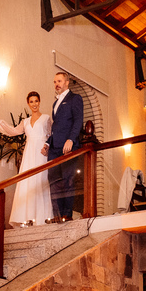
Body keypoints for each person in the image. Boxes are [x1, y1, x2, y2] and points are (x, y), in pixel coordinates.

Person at [0, 91, 52, 226]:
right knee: (28, 182)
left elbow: (51, 136)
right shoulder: (25, 121)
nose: (34, 104)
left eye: (36, 101)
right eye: (31, 102)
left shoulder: (46, 118)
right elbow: (12, 131)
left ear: (39, 102)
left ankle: (42, 218)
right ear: (28, 104)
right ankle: (27, 218)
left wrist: (48, 146)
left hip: (42, 154)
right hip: (29, 154)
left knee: (40, 181)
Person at [43, 72, 83, 222]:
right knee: (53, 181)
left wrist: (71, 140)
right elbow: (56, 127)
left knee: (68, 180)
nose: (56, 84)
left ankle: (67, 215)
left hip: (68, 147)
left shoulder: (75, 98)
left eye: (59, 81)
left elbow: (78, 120)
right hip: (54, 149)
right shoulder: (55, 103)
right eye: (54, 82)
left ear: (67, 82)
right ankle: (57, 216)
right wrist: (48, 143)